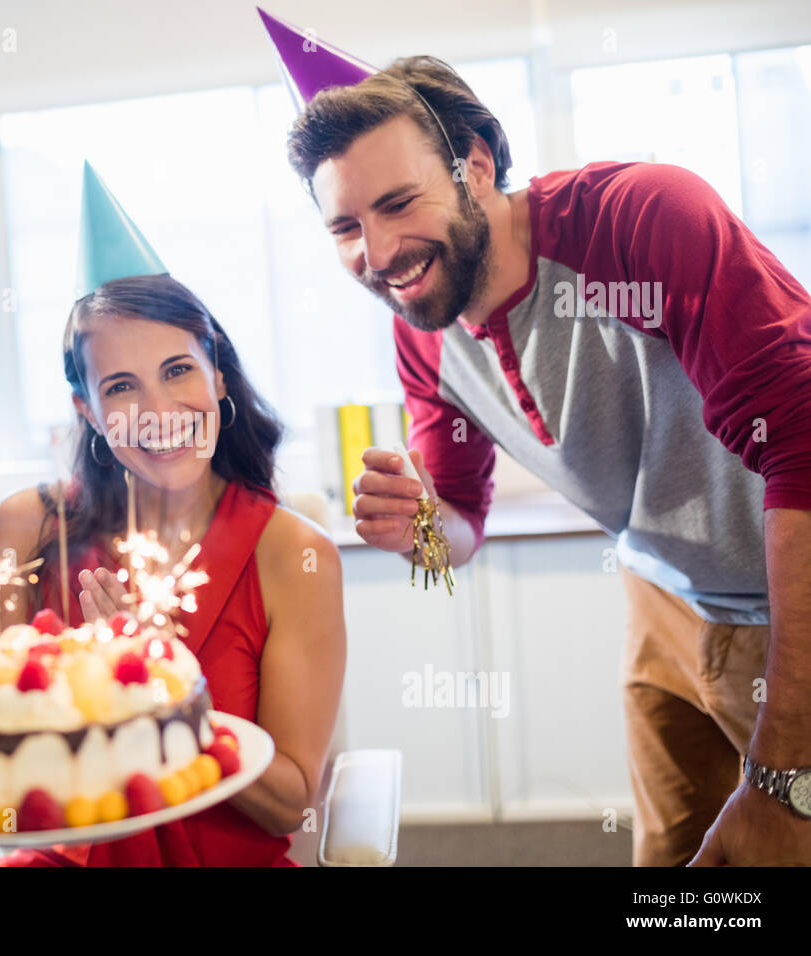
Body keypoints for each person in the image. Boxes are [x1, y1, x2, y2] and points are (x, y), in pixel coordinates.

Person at [264, 15, 811, 866]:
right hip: (657, 593)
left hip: (783, 598)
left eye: (399, 203)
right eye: (344, 229)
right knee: (677, 867)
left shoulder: (642, 219)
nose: (377, 254)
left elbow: (805, 445)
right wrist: (423, 535)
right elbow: (461, 524)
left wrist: (784, 778)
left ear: (475, 166)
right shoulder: (422, 328)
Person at [0, 165, 346, 865]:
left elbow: (289, 799)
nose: (158, 412)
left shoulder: (294, 555)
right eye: (120, 387)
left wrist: (165, 690)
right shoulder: (25, 530)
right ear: (86, 411)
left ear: (217, 373)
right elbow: (1, 778)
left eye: (178, 370)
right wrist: (80, 691)